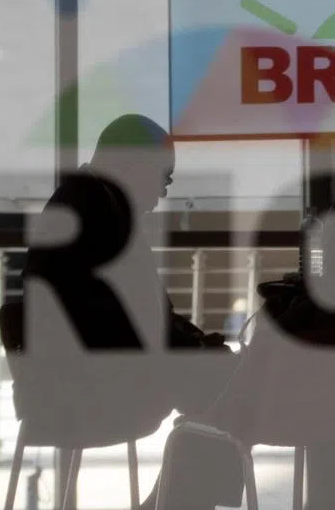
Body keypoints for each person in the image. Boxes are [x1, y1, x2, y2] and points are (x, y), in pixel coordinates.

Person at [22, 114, 239, 510]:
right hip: (93, 390)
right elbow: (143, 319)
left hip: (65, 385)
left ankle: (170, 503)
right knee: (236, 387)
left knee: (220, 378)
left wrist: (191, 344)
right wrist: (198, 347)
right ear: (135, 165)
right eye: (164, 176)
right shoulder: (102, 214)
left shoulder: (83, 202)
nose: (163, 191)